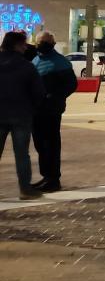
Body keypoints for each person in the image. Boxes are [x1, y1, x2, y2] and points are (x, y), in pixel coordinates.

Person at [1, 31, 46, 200]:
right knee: (21, 154)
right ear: (16, 45)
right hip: (21, 115)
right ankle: (25, 189)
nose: (26, 47)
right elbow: (39, 92)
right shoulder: (26, 66)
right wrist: (31, 108)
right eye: (23, 44)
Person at [31, 31, 76, 192]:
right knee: (39, 144)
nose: (42, 45)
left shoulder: (60, 62)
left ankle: (53, 178)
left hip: (51, 110)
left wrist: (53, 97)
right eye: (41, 42)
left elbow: (71, 85)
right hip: (36, 109)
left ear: (52, 44)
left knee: (50, 144)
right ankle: (46, 176)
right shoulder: (36, 59)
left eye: (46, 42)